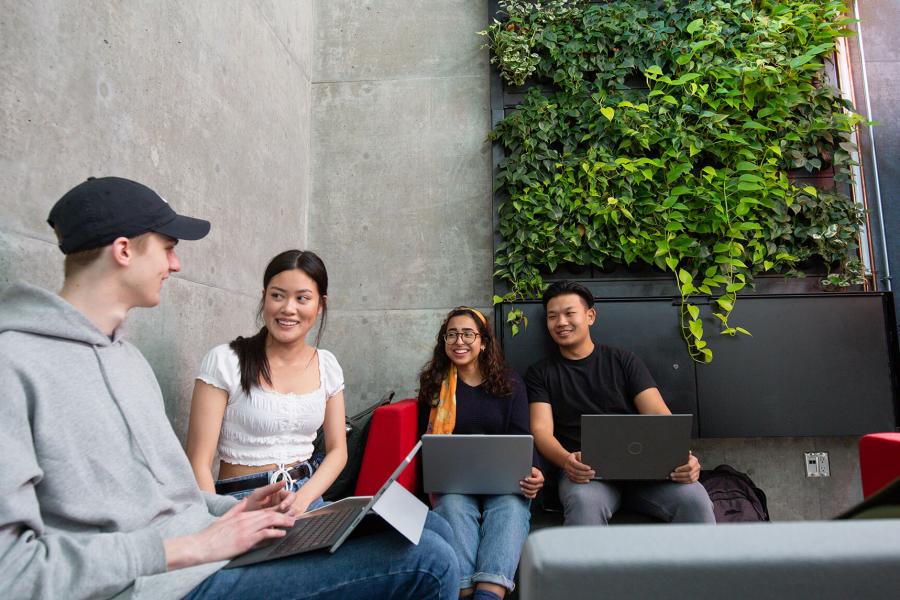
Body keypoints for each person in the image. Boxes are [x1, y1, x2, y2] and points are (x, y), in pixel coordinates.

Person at [0, 176, 458, 599]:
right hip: (161, 581)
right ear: (124, 250)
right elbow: (12, 571)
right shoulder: (15, 366)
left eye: (303, 298)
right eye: (168, 247)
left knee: (425, 530)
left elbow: (164, 501)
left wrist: (229, 514)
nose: (176, 264)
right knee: (429, 563)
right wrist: (192, 545)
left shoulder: (128, 360)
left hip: (209, 546)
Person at [526, 280, 715, 526]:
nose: (561, 322)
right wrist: (566, 461)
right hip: (586, 475)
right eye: (552, 316)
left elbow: (659, 415)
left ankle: (706, 566)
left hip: (646, 471)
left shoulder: (623, 361)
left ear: (590, 316)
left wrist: (684, 457)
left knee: (695, 499)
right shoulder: (540, 373)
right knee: (584, 502)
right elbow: (540, 431)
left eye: (569, 313)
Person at [186, 250, 344, 515]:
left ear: (320, 305)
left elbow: (338, 450)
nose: (288, 308)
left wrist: (303, 500)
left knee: (424, 535)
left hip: (306, 499)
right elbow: (198, 462)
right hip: (240, 505)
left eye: (302, 298)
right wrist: (218, 526)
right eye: (277, 295)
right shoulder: (225, 361)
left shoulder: (327, 365)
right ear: (264, 298)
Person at [417, 307, 544, 600]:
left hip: (504, 480)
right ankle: (462, 590)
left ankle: (489, 594)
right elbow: (424, 441)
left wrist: (534, 470)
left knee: (511, 509)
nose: (458, 341)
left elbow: (521, 434)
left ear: (484, 342)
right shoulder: (435, 385)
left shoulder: (510, 383)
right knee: (452, 508)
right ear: (443, 341)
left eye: (467, 334)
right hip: (453, 482)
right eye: (451, 334)